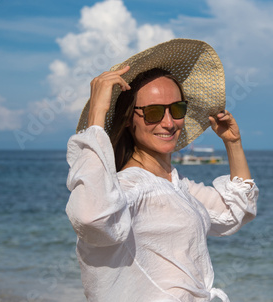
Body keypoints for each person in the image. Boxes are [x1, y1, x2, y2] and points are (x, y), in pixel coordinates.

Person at [65, 39, 259, 302]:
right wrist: (97, 114)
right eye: (154, 112)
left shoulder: (174, 185)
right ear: (129, 119)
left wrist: (232, 143)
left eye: (177, 109)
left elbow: (235, 212)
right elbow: (91, 218)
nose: (169, 123)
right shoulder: (128, 189)